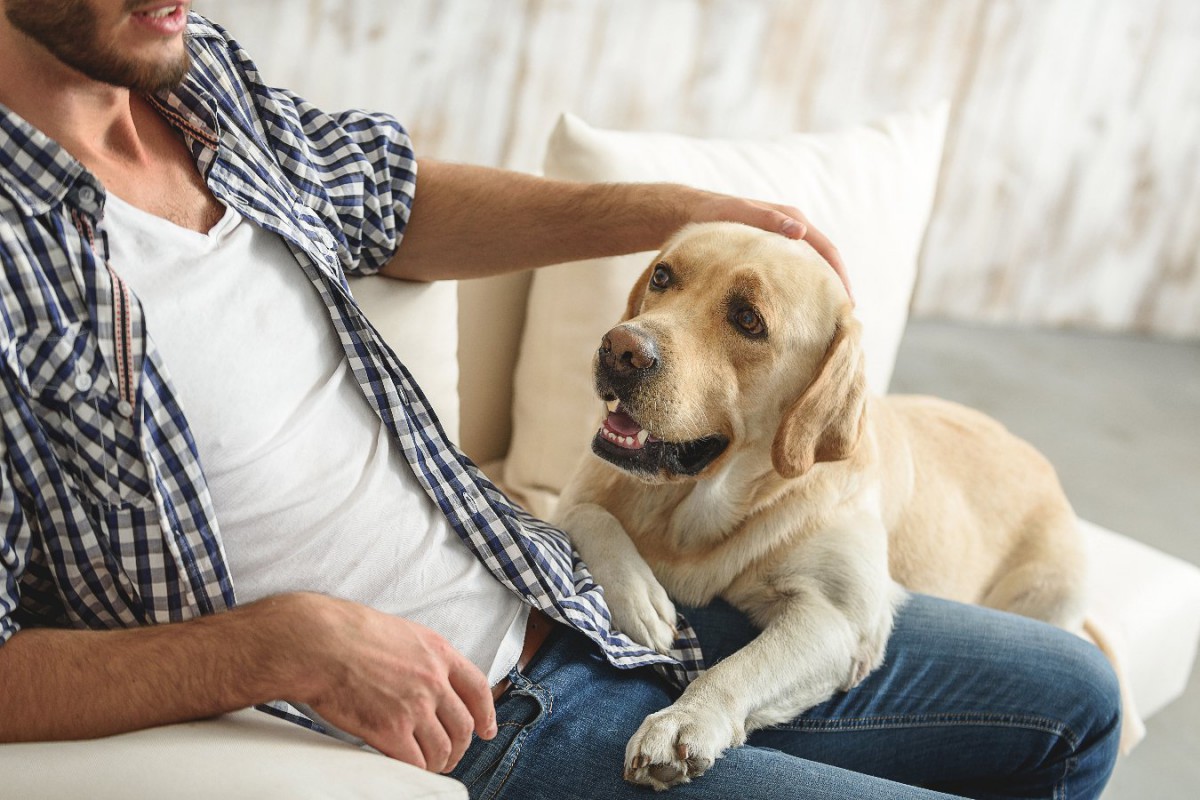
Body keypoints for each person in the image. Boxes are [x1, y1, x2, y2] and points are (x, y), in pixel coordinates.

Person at [0, 2, 1120, 798]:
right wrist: (275, 646)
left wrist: (684, 216)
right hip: (489, 723)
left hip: (570, 586)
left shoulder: (195, 82)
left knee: (1079, 694)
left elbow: (396, 197)